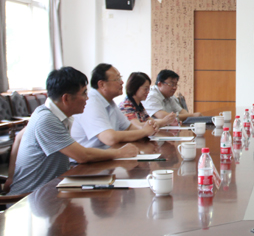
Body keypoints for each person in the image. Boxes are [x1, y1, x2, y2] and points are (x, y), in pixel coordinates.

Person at [8, 67, 138, 195]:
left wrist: (10, 176)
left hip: (53, 188)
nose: (87, 98)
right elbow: (83, 156)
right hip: (31, 196)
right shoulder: (47, 119)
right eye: (84, 93)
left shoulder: (49, 112)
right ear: (66, 98)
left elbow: (19, 137)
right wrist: (120, 152)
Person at [71, 64, 158, 149]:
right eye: (117, 79)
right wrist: (144, 132)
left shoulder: (109, 102)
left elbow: (129, 128)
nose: (122, 82)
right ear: (102, 84)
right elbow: (109, 138)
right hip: (91, 156)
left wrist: (149, 128)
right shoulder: (91, 103)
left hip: (107, 153)